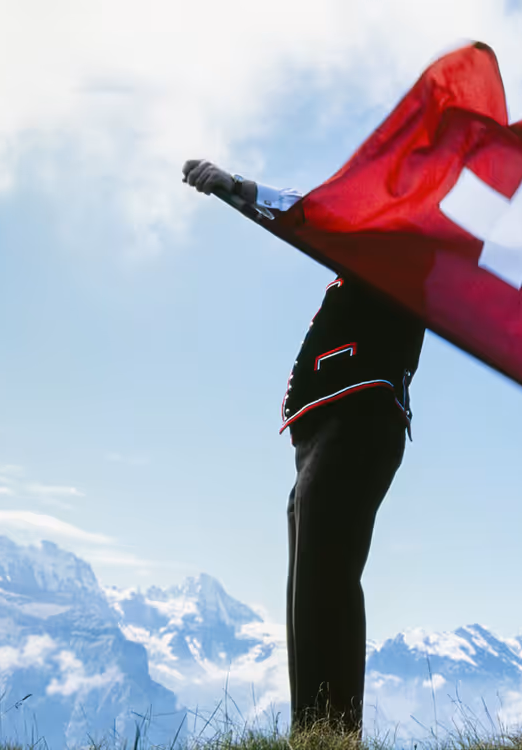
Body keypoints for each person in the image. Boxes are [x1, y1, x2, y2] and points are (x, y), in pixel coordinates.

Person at [182, 159, 426, 736]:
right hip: (326, 430)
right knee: (310, 582)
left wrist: (241, 189)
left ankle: (328, 736)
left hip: (357, 417)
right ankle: (315, 735)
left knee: (325, 581)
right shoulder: (376, 251)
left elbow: (314, 216)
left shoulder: (402, 247)